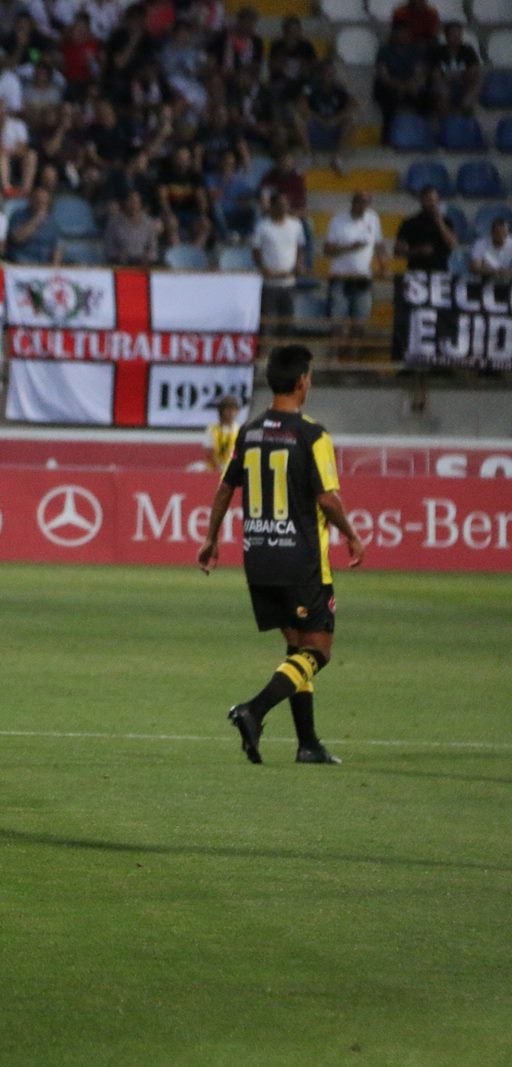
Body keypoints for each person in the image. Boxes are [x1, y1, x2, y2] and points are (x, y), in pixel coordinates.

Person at [197, 343, 365, 766]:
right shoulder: (312, 434)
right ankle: (253, 710)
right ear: (302, 381)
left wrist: (211, 538)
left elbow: (224, 487)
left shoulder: (249, 431)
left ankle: (308, 744)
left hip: (259, 558)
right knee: (318, 651)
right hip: (301, 560)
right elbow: (327, 498)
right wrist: (351, 535)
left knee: (296, 651)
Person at [324, 191, 387, 360]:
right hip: (341, 277)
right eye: (359, 202)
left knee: (360, 324)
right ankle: (333, 359)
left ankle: (352, 360)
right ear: (352, 203)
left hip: (363, 278)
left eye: (366, 203)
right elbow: (327, 250)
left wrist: (383, 265)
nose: (362, 206)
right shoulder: (338, 221)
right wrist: (350, 247)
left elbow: (379, 244)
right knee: (337, 323)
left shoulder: (373, 219)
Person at [252, 192, 304, 328]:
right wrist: (262, 268)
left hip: (289, 282)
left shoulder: (296, 225)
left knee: (287, 324)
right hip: (269, 283)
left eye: (285, 205)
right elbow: (256, 251)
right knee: (267, 324)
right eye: (280, 205)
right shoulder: (262, 226)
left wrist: (298, 263)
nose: (283, 208)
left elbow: (300, 247)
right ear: (272, 206)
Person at [297, 62, 357, 175]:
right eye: (326, 73)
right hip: (315, 127)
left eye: (331, 74)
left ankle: (337, 158)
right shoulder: (310, 86)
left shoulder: (340, 87)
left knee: (352, 119)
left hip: (334, 127)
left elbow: (353, 105)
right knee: (298, 118)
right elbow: (301, 104)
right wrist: (318, 118)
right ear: (320, 74)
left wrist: (336, 119)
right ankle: (308, 156)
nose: (328, 77)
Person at [394, 185, 457, 272]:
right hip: (416, 272)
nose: (433, 204)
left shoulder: (446, 222)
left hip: (440, 272)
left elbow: (452, 244)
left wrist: (440, 223)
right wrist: (418, 251)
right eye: (429, 200)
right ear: (422, 200)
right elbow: (398, 252)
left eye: (435, 200)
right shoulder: (410, 223)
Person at [429, 21, 482, 118]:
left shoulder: (468, 50)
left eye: (459, 34)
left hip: (463, 83)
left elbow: (474, 70)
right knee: (441, 90)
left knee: (478, 80)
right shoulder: (438, 51)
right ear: (446, 36)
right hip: (443, 84)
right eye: (454, 34)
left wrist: (458, 76)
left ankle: (465, 112)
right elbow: (435, 73)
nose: (457, 37)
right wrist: (448, 79)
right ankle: (445, 120)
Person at [103, 189, 162, 266]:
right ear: (124, 203)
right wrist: (119, 256)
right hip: (120, 266)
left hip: (144, 266)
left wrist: (147, 257)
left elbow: (153, 249)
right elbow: (109, 249)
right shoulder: (114, 224)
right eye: (130, 201)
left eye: (136, 202)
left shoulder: (148, 223)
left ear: (140, 204)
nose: (133, 205)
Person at [7, 186, 62, 265]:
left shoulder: (52, 221)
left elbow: (57, 246)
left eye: (44, 202)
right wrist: (37, 219)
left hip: (43, 265)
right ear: (31, 200)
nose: (41, 204)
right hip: (21, 263)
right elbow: (17, 238)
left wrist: (54, 268)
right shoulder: (18, 215)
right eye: (38, 201)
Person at [204, 394, 241, 473]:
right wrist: (218, 468)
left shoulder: (240, 430)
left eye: (233, 410)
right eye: (228, 410)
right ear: (222, 412)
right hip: (214, 470)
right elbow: (208, 451)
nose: (231, 413)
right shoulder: (212, 429)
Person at [469, 217, 512, 282]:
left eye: (504, 233)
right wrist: (495, 272)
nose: (501, 236)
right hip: (487, 278)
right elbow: (474, 268)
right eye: (498, 233)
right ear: (492, 233)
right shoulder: (481, 244)